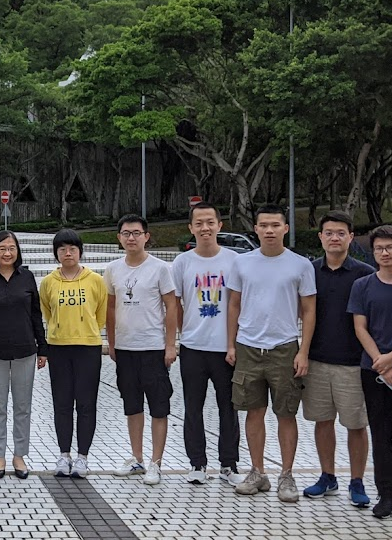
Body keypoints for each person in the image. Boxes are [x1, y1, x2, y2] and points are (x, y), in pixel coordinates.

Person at [227, 203, 316, 503]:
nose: (269, 230)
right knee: (253, 411)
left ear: (286, 228)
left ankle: (286, 475)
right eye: (263, 225)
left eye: (275, 225)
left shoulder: (301, 265)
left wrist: (303, 350)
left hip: (284, 347)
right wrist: (231, 344)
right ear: (255, 228)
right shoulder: (242, 263)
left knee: (286, 413)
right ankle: (257, 471)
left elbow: (309, 310)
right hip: (249, 347)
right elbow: (234, 305)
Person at [301, 211, 375, 506]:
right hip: (316, 360)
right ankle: (327, 475)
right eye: (329, 232)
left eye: (341, 233)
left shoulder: (365, 274)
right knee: (322, 421)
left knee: (356, 424)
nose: (334, 237)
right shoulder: (309, 271)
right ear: (320, 237)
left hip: (353, 363)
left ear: (350, 237)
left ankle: (357, 481)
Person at [170, 202, 244, 487]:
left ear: (219, 225)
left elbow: (239, 303)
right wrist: (180, 335)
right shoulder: (182, 263)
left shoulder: (234, 260)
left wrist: (234, 344)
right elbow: (175, 303)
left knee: (229, 407)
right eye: (198, 223)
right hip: (193, 347)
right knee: (193, 407)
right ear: (191, 228)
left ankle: (228, 464)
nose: (205, 228)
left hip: (226, 348)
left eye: (210, 222)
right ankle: (197, 463)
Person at [106, 214, 178, 486]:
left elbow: (171, 306)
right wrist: (112, 343)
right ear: (119, 238)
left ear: (146, 236)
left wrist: (170, 345)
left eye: (136, 233)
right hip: (125, 349)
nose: (131, 238)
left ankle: (155, 462)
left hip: (154, 348)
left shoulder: (160, 268)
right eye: (126, 233)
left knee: (159, 407)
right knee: (132, 405)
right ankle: (136, 458)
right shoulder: (113, 269)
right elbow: (111, 308)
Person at [347, 224, 392, 519]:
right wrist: (380, 362)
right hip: (373, 373)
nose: (384, 253)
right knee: (381, 436)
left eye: (390, 247)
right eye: (378, 248)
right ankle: (387, 496)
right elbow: (360, 327)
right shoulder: (363, 285)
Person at [0, 231, 48, 479]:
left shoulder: (26, 277)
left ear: (18, 251)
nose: (7, 253)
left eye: (11, 248)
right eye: (2, 248)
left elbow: (35, 314)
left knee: (22, 406)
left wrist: (42, 347)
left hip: (25, 351)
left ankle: (19, 455)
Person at [40, 228, 107, 479]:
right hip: (58, 347)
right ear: (56, 253)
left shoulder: (95, 280)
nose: (68, 253)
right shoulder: (48, 282)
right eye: (62, 249)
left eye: (72, 249)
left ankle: (82, 457)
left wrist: (86, 331)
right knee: (62, 403)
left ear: (80, 251)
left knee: (87, 403)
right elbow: (47, 312)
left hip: (88, 347)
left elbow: (100, 313)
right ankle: (64, 454)